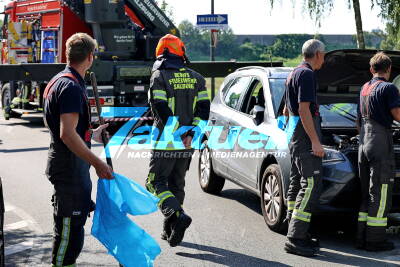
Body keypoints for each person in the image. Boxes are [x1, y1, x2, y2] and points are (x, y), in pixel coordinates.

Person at [43, 33, 113, 267]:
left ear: (68, 54)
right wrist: (98, 163)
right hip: (69, 170)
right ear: (90, 57)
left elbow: (67, 130)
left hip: (70, 168)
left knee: (73, 232)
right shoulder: (71, 87)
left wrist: (91, 134)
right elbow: (66, 134)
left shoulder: (60, 80)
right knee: (68, 237)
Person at [146, 34, 210, 247]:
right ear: (180, 52)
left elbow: (160, 109)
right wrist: (190, 135)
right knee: (176, 183)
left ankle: (177, 216)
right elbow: (204, 111)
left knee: (155, 182)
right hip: (188, 142)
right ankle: (170, 228)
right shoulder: (197, 78)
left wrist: (178, 134)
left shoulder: (159, 76)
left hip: (167, 140)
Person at [283, 39, 326, 257]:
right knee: (310, 185)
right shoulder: (307, 74)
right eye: (324, 55)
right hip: (305, 138)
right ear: (317, 54)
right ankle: (296, 238)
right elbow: (303, 110)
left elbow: (285, 110)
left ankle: (293, 227)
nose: (324, 59)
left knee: (297, 183)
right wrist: (315, 142)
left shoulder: (293, 73)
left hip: (296, 137)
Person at [356, 52, 400, 251]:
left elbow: (359, 121)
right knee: (381, 192)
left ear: (372, 69)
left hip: (363, 142)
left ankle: (361, 236)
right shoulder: (388, 88)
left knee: (366, 192)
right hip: (380, 142)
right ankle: (375, 240)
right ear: (388, 69)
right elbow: (397, 114)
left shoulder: (364, 88)